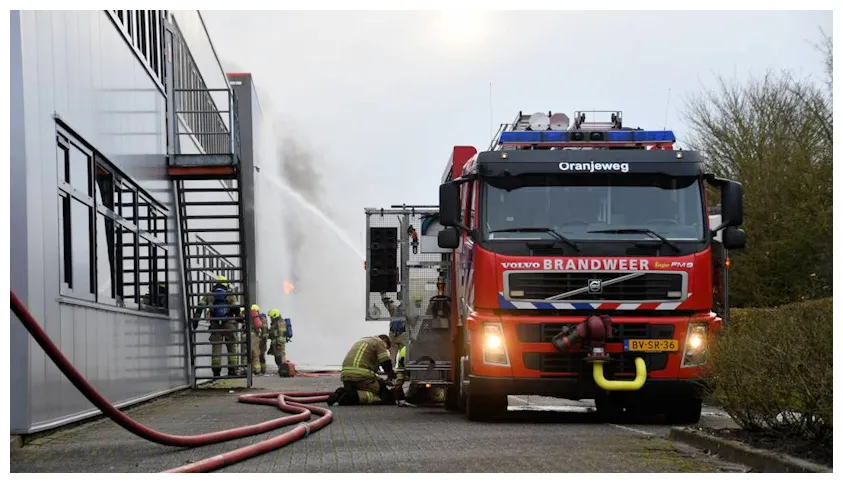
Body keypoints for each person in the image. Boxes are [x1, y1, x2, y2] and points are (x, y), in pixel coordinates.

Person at [327, 335, 396, 406]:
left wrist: (379, 379)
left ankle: (341, 392)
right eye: (386, 348)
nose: (385, 350)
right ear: (385, 341)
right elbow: (385, 362)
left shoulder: (364, 341)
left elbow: (372, 370)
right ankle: (351, 397)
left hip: (346, 376)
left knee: (358, 388)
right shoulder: (379, 342)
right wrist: (391, 375)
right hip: (360, 376)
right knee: (382, 393)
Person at [196, 275, 239, 377]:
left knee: (216, 347)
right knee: (232, 346)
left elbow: (200, 306)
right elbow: (236, 309)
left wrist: (196, 319)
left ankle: (216, 371)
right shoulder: (230, 295)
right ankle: (232, 370)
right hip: (229, 324)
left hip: (215, 324)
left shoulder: (210, 295)